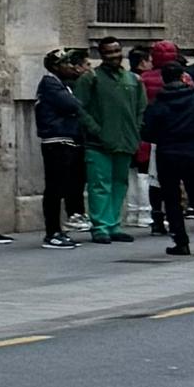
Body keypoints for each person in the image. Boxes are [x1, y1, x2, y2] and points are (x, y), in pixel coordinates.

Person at [143, 48, 194, 257]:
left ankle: (181, 242)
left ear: (164, 79)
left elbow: (147, 133)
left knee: (171, 199)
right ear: (182, 76)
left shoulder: (158, 104)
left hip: (168, 154)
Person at [79, 38, 144, 243]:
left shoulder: (133, 79)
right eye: (109, 52)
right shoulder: (91, 78)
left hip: (125, 140)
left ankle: (114, 223)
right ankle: (100, 226)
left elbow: (141, 109)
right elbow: (79, 108)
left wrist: (136, 130)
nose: (114, 55)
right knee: (100, 184)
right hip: (98, 142)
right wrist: (95, 129)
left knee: (119, 183)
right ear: (101, 55)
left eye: (117, 51)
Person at [31, 50, 88, 244]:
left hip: (65, 139)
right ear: (55, 66)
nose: (71, 67)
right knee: (55, 189)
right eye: (66, 63)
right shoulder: (51, 84)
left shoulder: (62, 83)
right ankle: (52, 232)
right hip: (56, 141)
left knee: (63, 186)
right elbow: (73, 105)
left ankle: (58, 230)